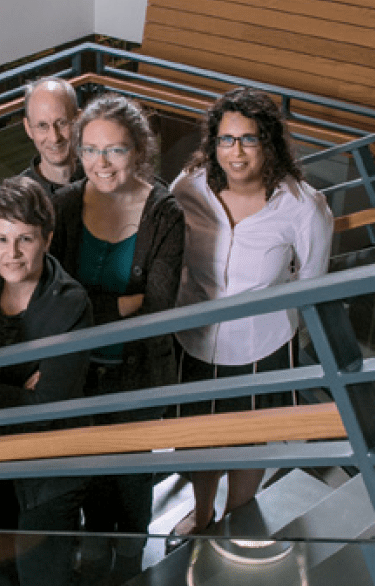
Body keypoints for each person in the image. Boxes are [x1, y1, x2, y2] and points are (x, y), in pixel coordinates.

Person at [168, 87, 333, 548]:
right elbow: (168, 254)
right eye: (226, 139)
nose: (236, 152)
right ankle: (201, 514)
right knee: (197, 437)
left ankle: (236, 516)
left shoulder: (302, 206)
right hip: (193, 338)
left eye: (249, 139)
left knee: (249, 441)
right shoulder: (188, 187)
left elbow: (313, 282)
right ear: (213, 143)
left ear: (269, 143)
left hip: (263, 345)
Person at [49, 94, 184, 582]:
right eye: (90, 150)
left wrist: (86, 305)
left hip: (138, 373)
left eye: (115, 150)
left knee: (130, 478)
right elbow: (53, 299)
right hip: (78, 373)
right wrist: (121, 303)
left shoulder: (163, 211)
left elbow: (159, 308)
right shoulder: (63, 205)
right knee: (85, 470)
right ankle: (96, 550)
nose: (101, 164)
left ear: (139, 150)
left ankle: (130, 559)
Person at [0, 177, 92, 586]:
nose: (11, 254)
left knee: (43, 578)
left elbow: (47, 407)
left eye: (24, 239)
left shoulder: (69, 301)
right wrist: (14, 392)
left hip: (49, 471)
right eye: (0, 240)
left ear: (47, 239)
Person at [20, 77, 84, 195]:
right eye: (42, 126)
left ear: (79, 120)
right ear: (28, 128)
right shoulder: (19, 198)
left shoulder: (101, 172)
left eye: (62, 123)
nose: (54, 138)